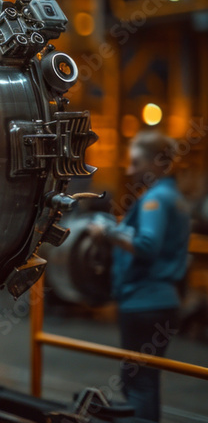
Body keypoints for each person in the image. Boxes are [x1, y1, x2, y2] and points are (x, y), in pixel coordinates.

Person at [89, 131, 190, 422]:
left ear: (156, 164)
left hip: (143, 302)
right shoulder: (175, 197)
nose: (130, 170)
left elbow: (147, 245)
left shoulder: (154, 200)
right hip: (165, 301)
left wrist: (106, 232)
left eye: (136, 162)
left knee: (137, 383)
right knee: (146, 380)